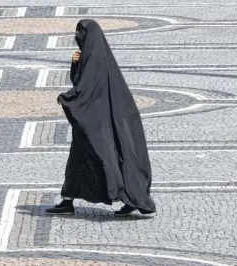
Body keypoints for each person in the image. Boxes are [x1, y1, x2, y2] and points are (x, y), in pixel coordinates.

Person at [45, 19, 156, 216]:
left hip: (97, 122)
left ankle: (129, 198)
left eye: (81, 33)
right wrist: (76, 64)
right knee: (79, 163)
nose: (77, 37)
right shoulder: (94, 56)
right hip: (97, 118)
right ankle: (68, 201)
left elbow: (85, 89)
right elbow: (82, 82)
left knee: (105, 159)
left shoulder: (95, 58)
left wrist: (67, 99)